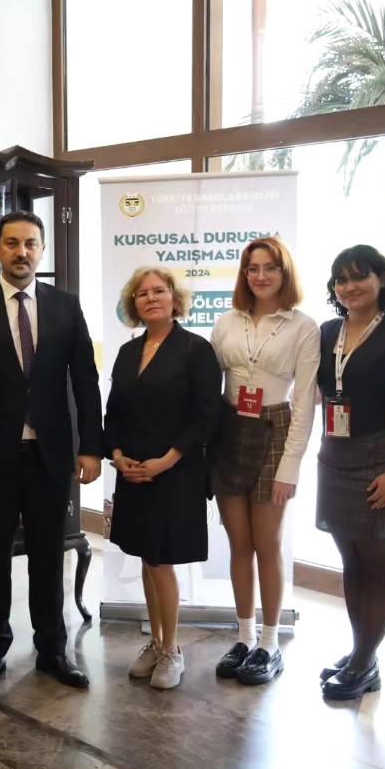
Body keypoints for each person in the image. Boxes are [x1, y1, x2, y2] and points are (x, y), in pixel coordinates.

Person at [0, 210, 104, 695]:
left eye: (30, 243)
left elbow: (85, 379)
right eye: (12, 243)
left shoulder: (65, 306)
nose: (21, 252)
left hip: (51, 454)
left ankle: (52, 650)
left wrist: (91, 447)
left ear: (42, 250)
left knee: (48, 556)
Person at [314, 245, 385, 701]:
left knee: (378, 564)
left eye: (359, 276)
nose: (349, 287)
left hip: (382, 457)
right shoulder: (327, 332)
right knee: (351, 562)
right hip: (335, 457)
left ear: (382, 280)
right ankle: (362, 653)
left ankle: (364, 661)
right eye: (341, 279)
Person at [208, 237, 320, 685]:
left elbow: (306, 403)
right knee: (239, 543)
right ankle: (244, 637)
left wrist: (290, 468)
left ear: (284, 272)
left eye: (270, 267)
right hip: (229, 430)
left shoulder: (303, 326)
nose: (261, 276)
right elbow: (208, 383)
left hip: (275, 428)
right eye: (252, 268)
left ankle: (270, 643)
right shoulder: (227, 321)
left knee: (267, 544)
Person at [105, 267, 221, 690]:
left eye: (159, 291)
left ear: (175, 298)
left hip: (175, 473)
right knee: (145, 557)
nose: (151, 298)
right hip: (133, 473)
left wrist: (165, 461)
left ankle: (172, 649)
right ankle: (155, 642)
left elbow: (206, 418)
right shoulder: (127, 352)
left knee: (161, 560)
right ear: (133, 303)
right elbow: (114, 412)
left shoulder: (197, 350)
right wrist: (117, 456)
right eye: (142, 293)